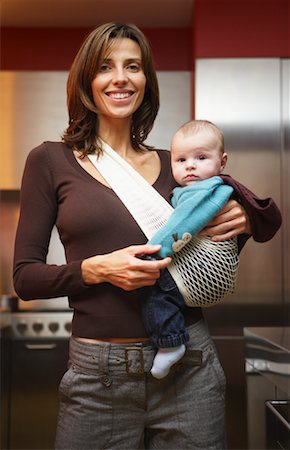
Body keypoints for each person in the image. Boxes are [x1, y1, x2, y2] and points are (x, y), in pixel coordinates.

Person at [13, 23, 282, 450]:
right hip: (98, 378)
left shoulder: (179, 165)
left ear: (145, 81)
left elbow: (253, 227)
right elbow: (25, 279)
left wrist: (244, 221)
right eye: (106, 66)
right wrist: (97, 269)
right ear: (87, 80)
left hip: (190, 365)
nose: (120, 77)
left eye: (133, 66)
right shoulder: (50, 161)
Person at [140, 119, 238, 379]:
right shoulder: (192, 189)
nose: (190, 165)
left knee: (157, 291)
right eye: (181, 160)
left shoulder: (207, 190)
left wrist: (154, 251)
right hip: (200, 270)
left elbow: (184, 224)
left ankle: (171, 342)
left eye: (201, 157)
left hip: (206, 269)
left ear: (222, 162)